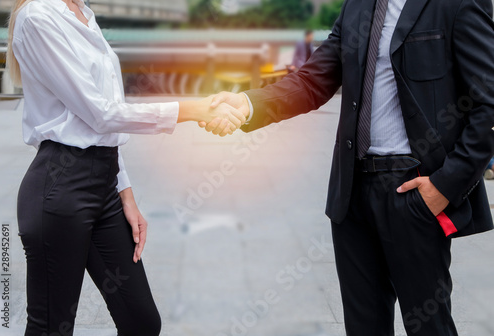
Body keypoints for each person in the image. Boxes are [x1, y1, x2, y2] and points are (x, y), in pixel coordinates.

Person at [203, 0, 494, 335]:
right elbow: (314, 80)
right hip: (353, 193)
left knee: (429, 326)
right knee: (363, 327)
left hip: (414, 191)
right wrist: (249, 103)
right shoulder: (358, 5)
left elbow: (488, 101)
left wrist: (444, 186)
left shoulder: (454, 4)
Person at [6, 0, 247, 335]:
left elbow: (107, 120)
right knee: (50, 328)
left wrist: (125, 193)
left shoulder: (84, 13)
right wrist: (193, 109)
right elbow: (100, 113)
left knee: (142, 322)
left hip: (103, 187)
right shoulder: (38, 16)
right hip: (60, 189)